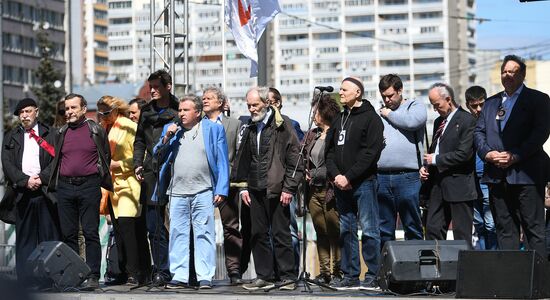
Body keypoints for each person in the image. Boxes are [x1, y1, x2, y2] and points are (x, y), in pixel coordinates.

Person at [474, 55, 550, 257]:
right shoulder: (490, 103)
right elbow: (479, 132)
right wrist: (488, 153)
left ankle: (540, 284)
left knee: (534, 230)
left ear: (523, 75)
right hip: (497, 176)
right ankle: (512, 283)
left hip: (527, 175)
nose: (507, 76)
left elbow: (540, 133)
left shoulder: (538, 100)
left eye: (512, 72)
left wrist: (515, 156)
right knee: (505, 230)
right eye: (504, 72)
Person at [232, 87, 302, 291]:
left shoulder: (283, 125)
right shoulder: (251, 127)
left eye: (255, 105)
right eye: (249, 105)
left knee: (281, 233)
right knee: (258, 233)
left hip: (278, 189)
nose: (252, 109)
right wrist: (243, 187)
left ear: (267, 103)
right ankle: (265, 275)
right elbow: (243, 158)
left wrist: (289, 188)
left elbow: (295, 160)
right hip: (255, 189)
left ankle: (288, 276)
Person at [155, 95, 229, 289]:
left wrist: (221, 188)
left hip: (203, 191)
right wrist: (166, 137)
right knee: (177, 233)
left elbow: (222, 162)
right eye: (180, 110)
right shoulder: (171, 130)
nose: (181, 114)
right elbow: (157, 154)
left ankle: (205, 275)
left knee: (204, 233)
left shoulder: (213, 129)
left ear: (197, 112)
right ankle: (179, 275)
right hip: (177, 191)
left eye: (185, 110)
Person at [48, 93, 112, 290]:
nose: (69, 112)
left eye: (73, 108)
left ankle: (93, 275)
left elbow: (106, 156)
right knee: (69, 234)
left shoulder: (96, 130)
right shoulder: (60, 133)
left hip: (89, 185)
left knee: (91, 232)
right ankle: (73, 275)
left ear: (84, 109)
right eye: (67, 108)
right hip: (65, 187)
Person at [325, 77, 384, 289]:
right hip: (341, 185)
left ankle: (373, 276)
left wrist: (349, 176)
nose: (340, 93)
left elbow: (371, 153)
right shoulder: (339, 118)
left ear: (357, 92)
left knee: (369, 230)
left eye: (344, 89)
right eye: (340, 89)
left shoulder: (371, 119)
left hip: (363, 183)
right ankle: (350, 276)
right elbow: (329, 151)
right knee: (346, 230)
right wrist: (337, 176)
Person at [0, 98, 60, 284]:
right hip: (22, 193)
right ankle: (26, 280)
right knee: (25, 238)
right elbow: (7, 163)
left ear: (37, 111)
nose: (25, 116)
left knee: (48, 236)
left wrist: (41, 178)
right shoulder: (11, 136)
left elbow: (56, 160)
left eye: (28, 111)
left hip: (45, 192)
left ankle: (48, 279)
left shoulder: (51, 134)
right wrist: (25, 181)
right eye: (21, 113)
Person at [97, 96, 151, 284]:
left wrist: (117, 164)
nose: (102, 116)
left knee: (130, 228)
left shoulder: (129, 126)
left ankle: (136, 272)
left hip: (129, 183)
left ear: (115, 110)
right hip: (112, 187)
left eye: (106, 112)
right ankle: (123, 270)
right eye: (100, 113)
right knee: (119, 230)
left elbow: (140, 156)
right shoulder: (104, 128)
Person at [133, 70, 179, 283]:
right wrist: (137, 164)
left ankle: (185, 270)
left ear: (168, 86)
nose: (152, 90)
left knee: (181, 224)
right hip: (152, 171)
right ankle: (162, 269)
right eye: (150, 86)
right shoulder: (146, 111)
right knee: (154, 225)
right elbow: (140, 140)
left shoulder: (180, 109)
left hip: (177, 170)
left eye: (156, 86)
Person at [420, 83, 477, 243]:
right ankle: (435, 266)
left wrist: (436, 160)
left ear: (449, 100)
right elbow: (435, 149)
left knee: (461, 234)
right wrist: (426, 166)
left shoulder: (467, 120)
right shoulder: (439, 121)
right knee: (433, 228)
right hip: (437, 184)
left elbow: (464, 154)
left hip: (459, 185)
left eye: (437, 105)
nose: (435, 109)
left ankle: (463, 268)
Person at [377, 74, 426, 250]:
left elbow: (412, 122)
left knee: (412, 225)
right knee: (384, 229)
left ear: (400, 90)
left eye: (390, 95)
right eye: (384, 96)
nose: (387, 100)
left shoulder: (415, 107)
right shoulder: (379, 113)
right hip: (381, 177)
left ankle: (415, 273)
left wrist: (389, 114)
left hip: (408, 176)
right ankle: (387, 272)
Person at [202, 87, 244, 284]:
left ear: (220, 102)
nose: (204, 101)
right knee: (200, 228)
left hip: (228, 184)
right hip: (201, 183)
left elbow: (238, 154)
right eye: (203, 98)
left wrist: (230, 182)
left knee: (231, 228)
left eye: (209, 98)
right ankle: (200, 273)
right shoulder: (197, 125)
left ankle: (234, 271)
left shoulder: (234, 124)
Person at [303, 94, 341, 285]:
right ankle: (325, 272)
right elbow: (302, 156)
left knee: (335, 232)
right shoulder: (312, 134)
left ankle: (338, 272)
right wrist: (305, 171)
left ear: (324, 113)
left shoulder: (336, 133)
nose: (314, 115)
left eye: (316, 111)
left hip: (330, 190)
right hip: (313, 191)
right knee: (321, 232)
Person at [465, 86, 497, 250]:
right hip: (471, 180)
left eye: (481, 104)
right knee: (479, 223)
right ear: (467, 105)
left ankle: (494, 257)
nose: (478, 109)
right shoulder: (466, 123)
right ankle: (484, 259)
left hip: (488, 177)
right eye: (474, 105)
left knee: (491, 224)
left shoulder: (492, 121)